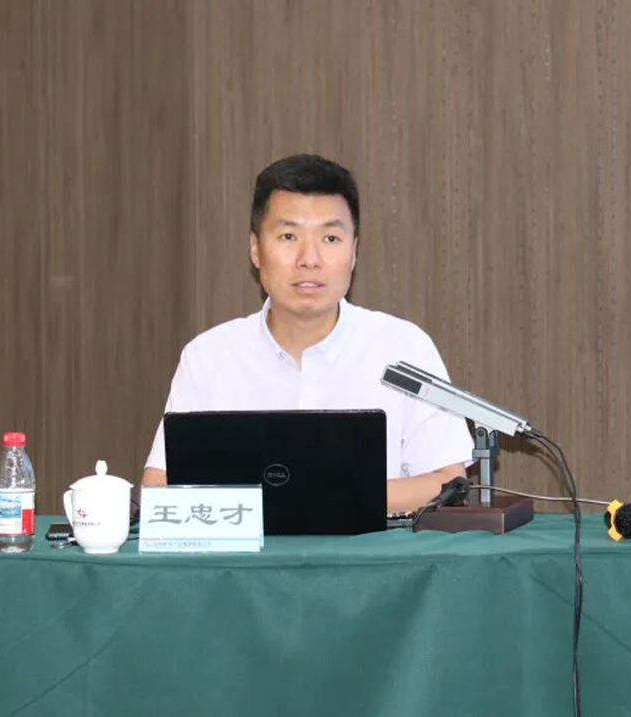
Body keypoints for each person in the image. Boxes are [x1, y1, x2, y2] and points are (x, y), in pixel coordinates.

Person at [141, 154, 472, 513]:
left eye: (330, 238)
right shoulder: (209, 356)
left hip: (372, 550)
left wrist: (316, 497)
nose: (309, 259)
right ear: (255, 250)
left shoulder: (404, 347)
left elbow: (448, 482)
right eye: (288, 236)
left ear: (354, 252)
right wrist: (304, 498)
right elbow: (159, 486)